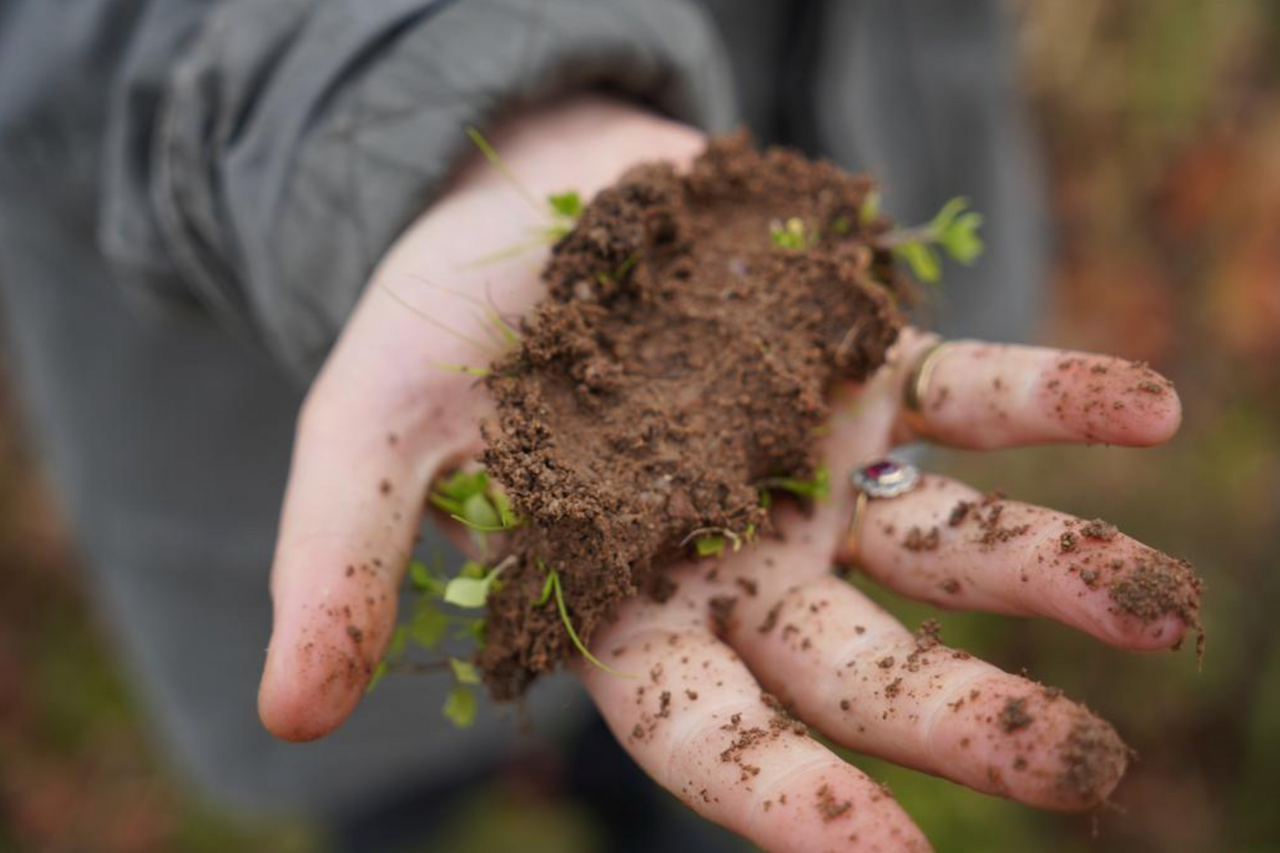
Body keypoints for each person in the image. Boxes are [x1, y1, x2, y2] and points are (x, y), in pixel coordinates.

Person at [0, 2, 1195, 850]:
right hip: (254, 378)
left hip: (834, 371)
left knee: (721, 770)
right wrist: (403, 93)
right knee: (384, 783)